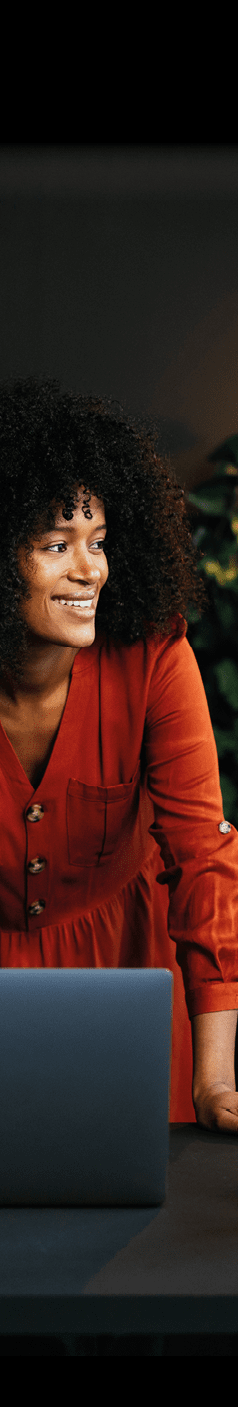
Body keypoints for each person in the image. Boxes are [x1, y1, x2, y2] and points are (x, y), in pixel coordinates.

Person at [0, 376, 238, 1133]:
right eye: (54, 544)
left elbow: (203, 858)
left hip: (127, 978)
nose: (90, 569)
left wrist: (214, 1083)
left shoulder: (155, 656)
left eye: (98, 541)